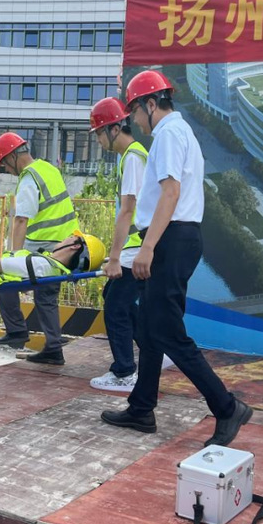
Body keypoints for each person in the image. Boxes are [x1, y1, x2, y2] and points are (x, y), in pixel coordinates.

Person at [100, 71, 252, 447]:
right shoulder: (181, 132)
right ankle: (141, 408)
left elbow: (170, 193)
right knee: (152, 327)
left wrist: (148, 247)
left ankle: (227, 407)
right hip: (177, 237)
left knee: (167, 331)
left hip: (171, 238)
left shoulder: (168, 134)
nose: (135, 122)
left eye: (136, 112)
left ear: (151, 105)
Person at [0, 133, 80, 365]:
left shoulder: (29, 177)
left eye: (5, 163)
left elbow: (21, 219)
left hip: (46, 247)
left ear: (13, 156)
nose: (6, 170)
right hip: (67, 245)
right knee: (46, 296)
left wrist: (14, 256)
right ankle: (53, 347)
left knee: (3, 276)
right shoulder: (48, 169)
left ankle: (16, 330)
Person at [88, 97, 147, 393]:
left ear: (114, 129)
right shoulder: (132, 156)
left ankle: (124, 373)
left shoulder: (133, 157)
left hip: (135, 247)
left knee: (115, 307)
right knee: (118, 301)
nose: (98, 140)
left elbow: (128, 209)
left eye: (99, 133)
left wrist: (113, 258)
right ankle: (153, 350)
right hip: (137, 246)